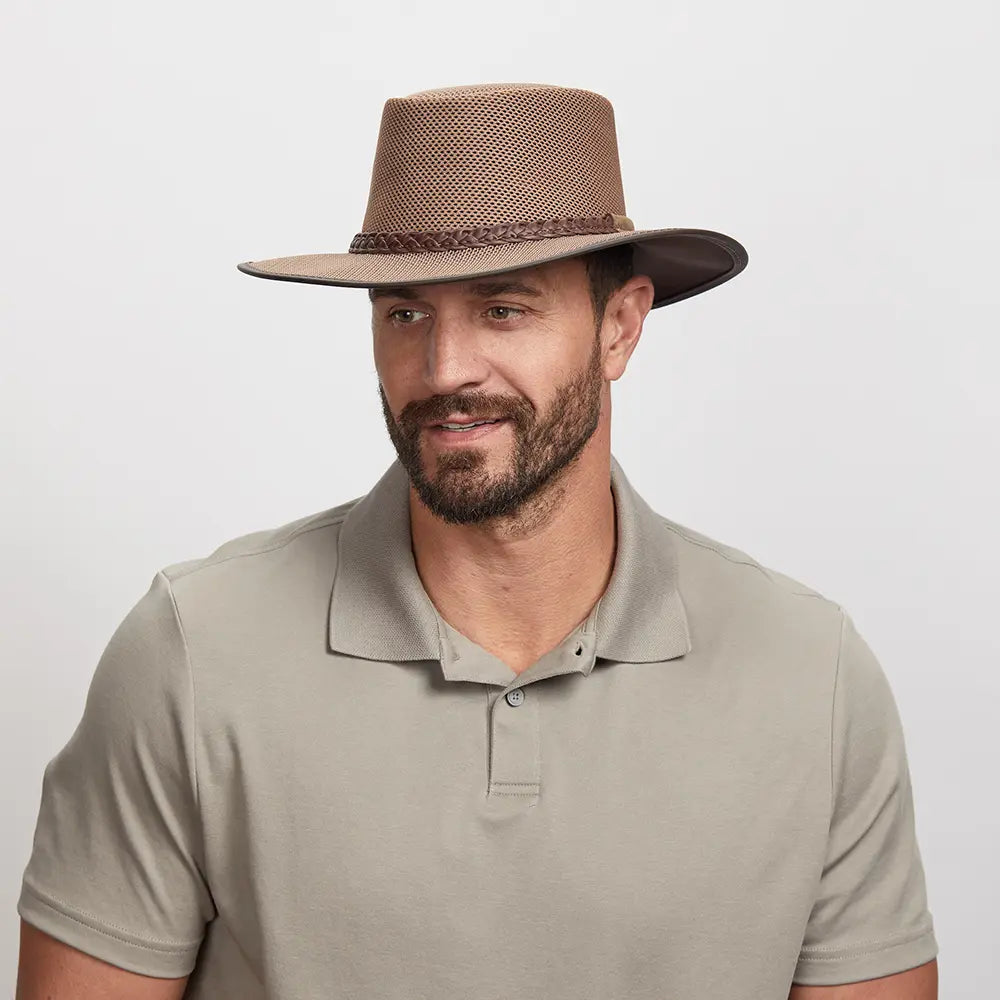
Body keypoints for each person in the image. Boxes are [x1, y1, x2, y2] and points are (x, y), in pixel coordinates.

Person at [15, 82, 938, 999]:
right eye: (405, 313)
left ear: (619, 328)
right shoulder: (193, 651)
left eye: (505, 309)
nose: (445, 370)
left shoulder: (810, 672)